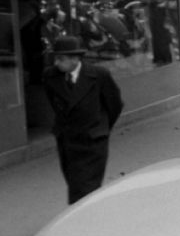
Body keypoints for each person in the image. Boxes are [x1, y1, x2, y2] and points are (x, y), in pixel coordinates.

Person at [42, 35, 123, 203]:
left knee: (86, 187)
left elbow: (114, 104)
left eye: (60, 59)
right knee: (74, 182)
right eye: (55, 59)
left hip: (92, 141)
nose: (56, 63)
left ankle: (83, 220)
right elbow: (55, 103)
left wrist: (101, 128)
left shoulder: (99, 75)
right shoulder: (51, 76)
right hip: (67, 140)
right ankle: (83, 216)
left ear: (75, 59)